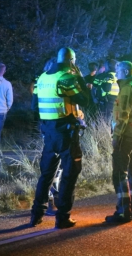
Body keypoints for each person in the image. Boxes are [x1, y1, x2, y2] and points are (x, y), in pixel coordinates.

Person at [30, 47, 89, 229]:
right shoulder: (67, 78)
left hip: (49, 132)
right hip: (66, 133)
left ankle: (36, 214)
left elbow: (34, 107)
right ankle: (62, 216)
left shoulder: (42, 78)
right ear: (71, 61)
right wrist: (79, 76)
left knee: (46, 174)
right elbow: (87, 100)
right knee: (70, 172)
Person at [105, 61, 132, 223]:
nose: (116, 73)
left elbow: (123, 116)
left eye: (118, 70)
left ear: (126, 71)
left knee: (120, 173)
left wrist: (116, 137)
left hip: (125, 136)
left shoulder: (127, 89)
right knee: (131, 169)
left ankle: (123, 212)